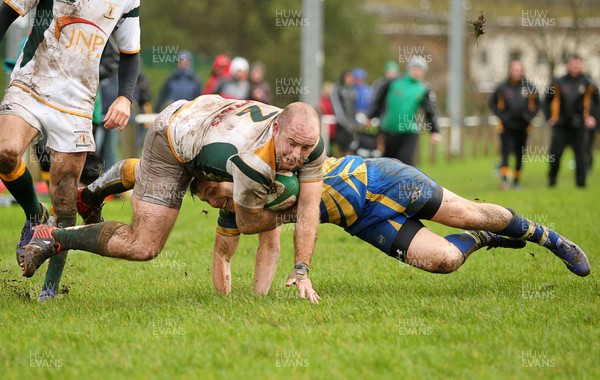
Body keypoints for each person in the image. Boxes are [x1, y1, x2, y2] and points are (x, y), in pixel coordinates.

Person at [21, 95, 326, 303]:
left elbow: (311, 204)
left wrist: (301, 268)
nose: (298, 156)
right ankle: (55, 235)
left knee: (204, 189)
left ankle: (90, 195)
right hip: (173, 137)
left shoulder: (306, 140)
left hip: (205, 121)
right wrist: (290, 212)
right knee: (144, 246)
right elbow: (248, 223)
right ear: (276, 128)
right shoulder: (253, 163)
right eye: (293, 145)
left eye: (306, 149)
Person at [197, 155, 590, 295]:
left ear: (227, 174)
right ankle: (480, 238)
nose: (216, 201)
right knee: (444, 260)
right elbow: (246, 249)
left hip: (384, 180)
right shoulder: (237, 209)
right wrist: (247, 304)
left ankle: (552, 240)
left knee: (473, 210)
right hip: (363, 221)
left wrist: (303, 270)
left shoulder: (264, 169)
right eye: (207, 200)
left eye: (216, 189)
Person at [0, 0, 140, 300]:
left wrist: (125, 97)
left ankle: (50, 290)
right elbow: (6, 13)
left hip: (77, 103)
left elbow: (130, 52)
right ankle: (35, 214)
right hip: (30, 84)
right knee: (4, 151)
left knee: (65, 197)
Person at [369, 56, 441, 166]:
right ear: (409, 69)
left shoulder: (424, 88)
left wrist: (434, 131)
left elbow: (430, 110)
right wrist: (371, 116)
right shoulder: (393, 82)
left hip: (409, 132)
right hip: (389, 130)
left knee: (405, 164)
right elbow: (378, 100)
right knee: (387, 166)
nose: (417, 72)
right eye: (415, 68)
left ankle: (406, 184)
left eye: (420, 69)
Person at [546, 54, 599, 188]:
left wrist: (593, 117)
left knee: (581, 156)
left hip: (580, 125)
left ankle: (581, 184)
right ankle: (552, 181)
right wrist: (549, 117)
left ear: (581, 65)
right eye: (573, 64)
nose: (575, 67)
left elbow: (598, 103)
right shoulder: (558, 82)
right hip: (560, 125)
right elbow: (546, 101)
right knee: (555, 155)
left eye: (578, 64)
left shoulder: (589, 83)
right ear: (568, 65)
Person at [489, 60, 540, 189]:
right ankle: (505, 180)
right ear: (510, 71)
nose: (517, 72)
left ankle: (517, 181)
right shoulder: (502, 87)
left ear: (522, 71)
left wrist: (529, 117)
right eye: (514, 70)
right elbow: (492, 103)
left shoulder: (530, 87)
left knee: (519, 154)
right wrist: (502, 116)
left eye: (519, 70)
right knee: (505, 153)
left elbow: (538, 104)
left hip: (523, 127)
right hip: (506, 127)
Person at [329, 69, 358, 156]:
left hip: (352, 126)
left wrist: (355, 123)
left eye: (351, 77)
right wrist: (344, 123)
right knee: (341, 150)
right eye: (348, 77)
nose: (350, 79)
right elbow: (337, 108)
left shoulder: (352, 90)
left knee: (351, 150)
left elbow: (353, 108)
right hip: (342, 126)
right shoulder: (337, 89)